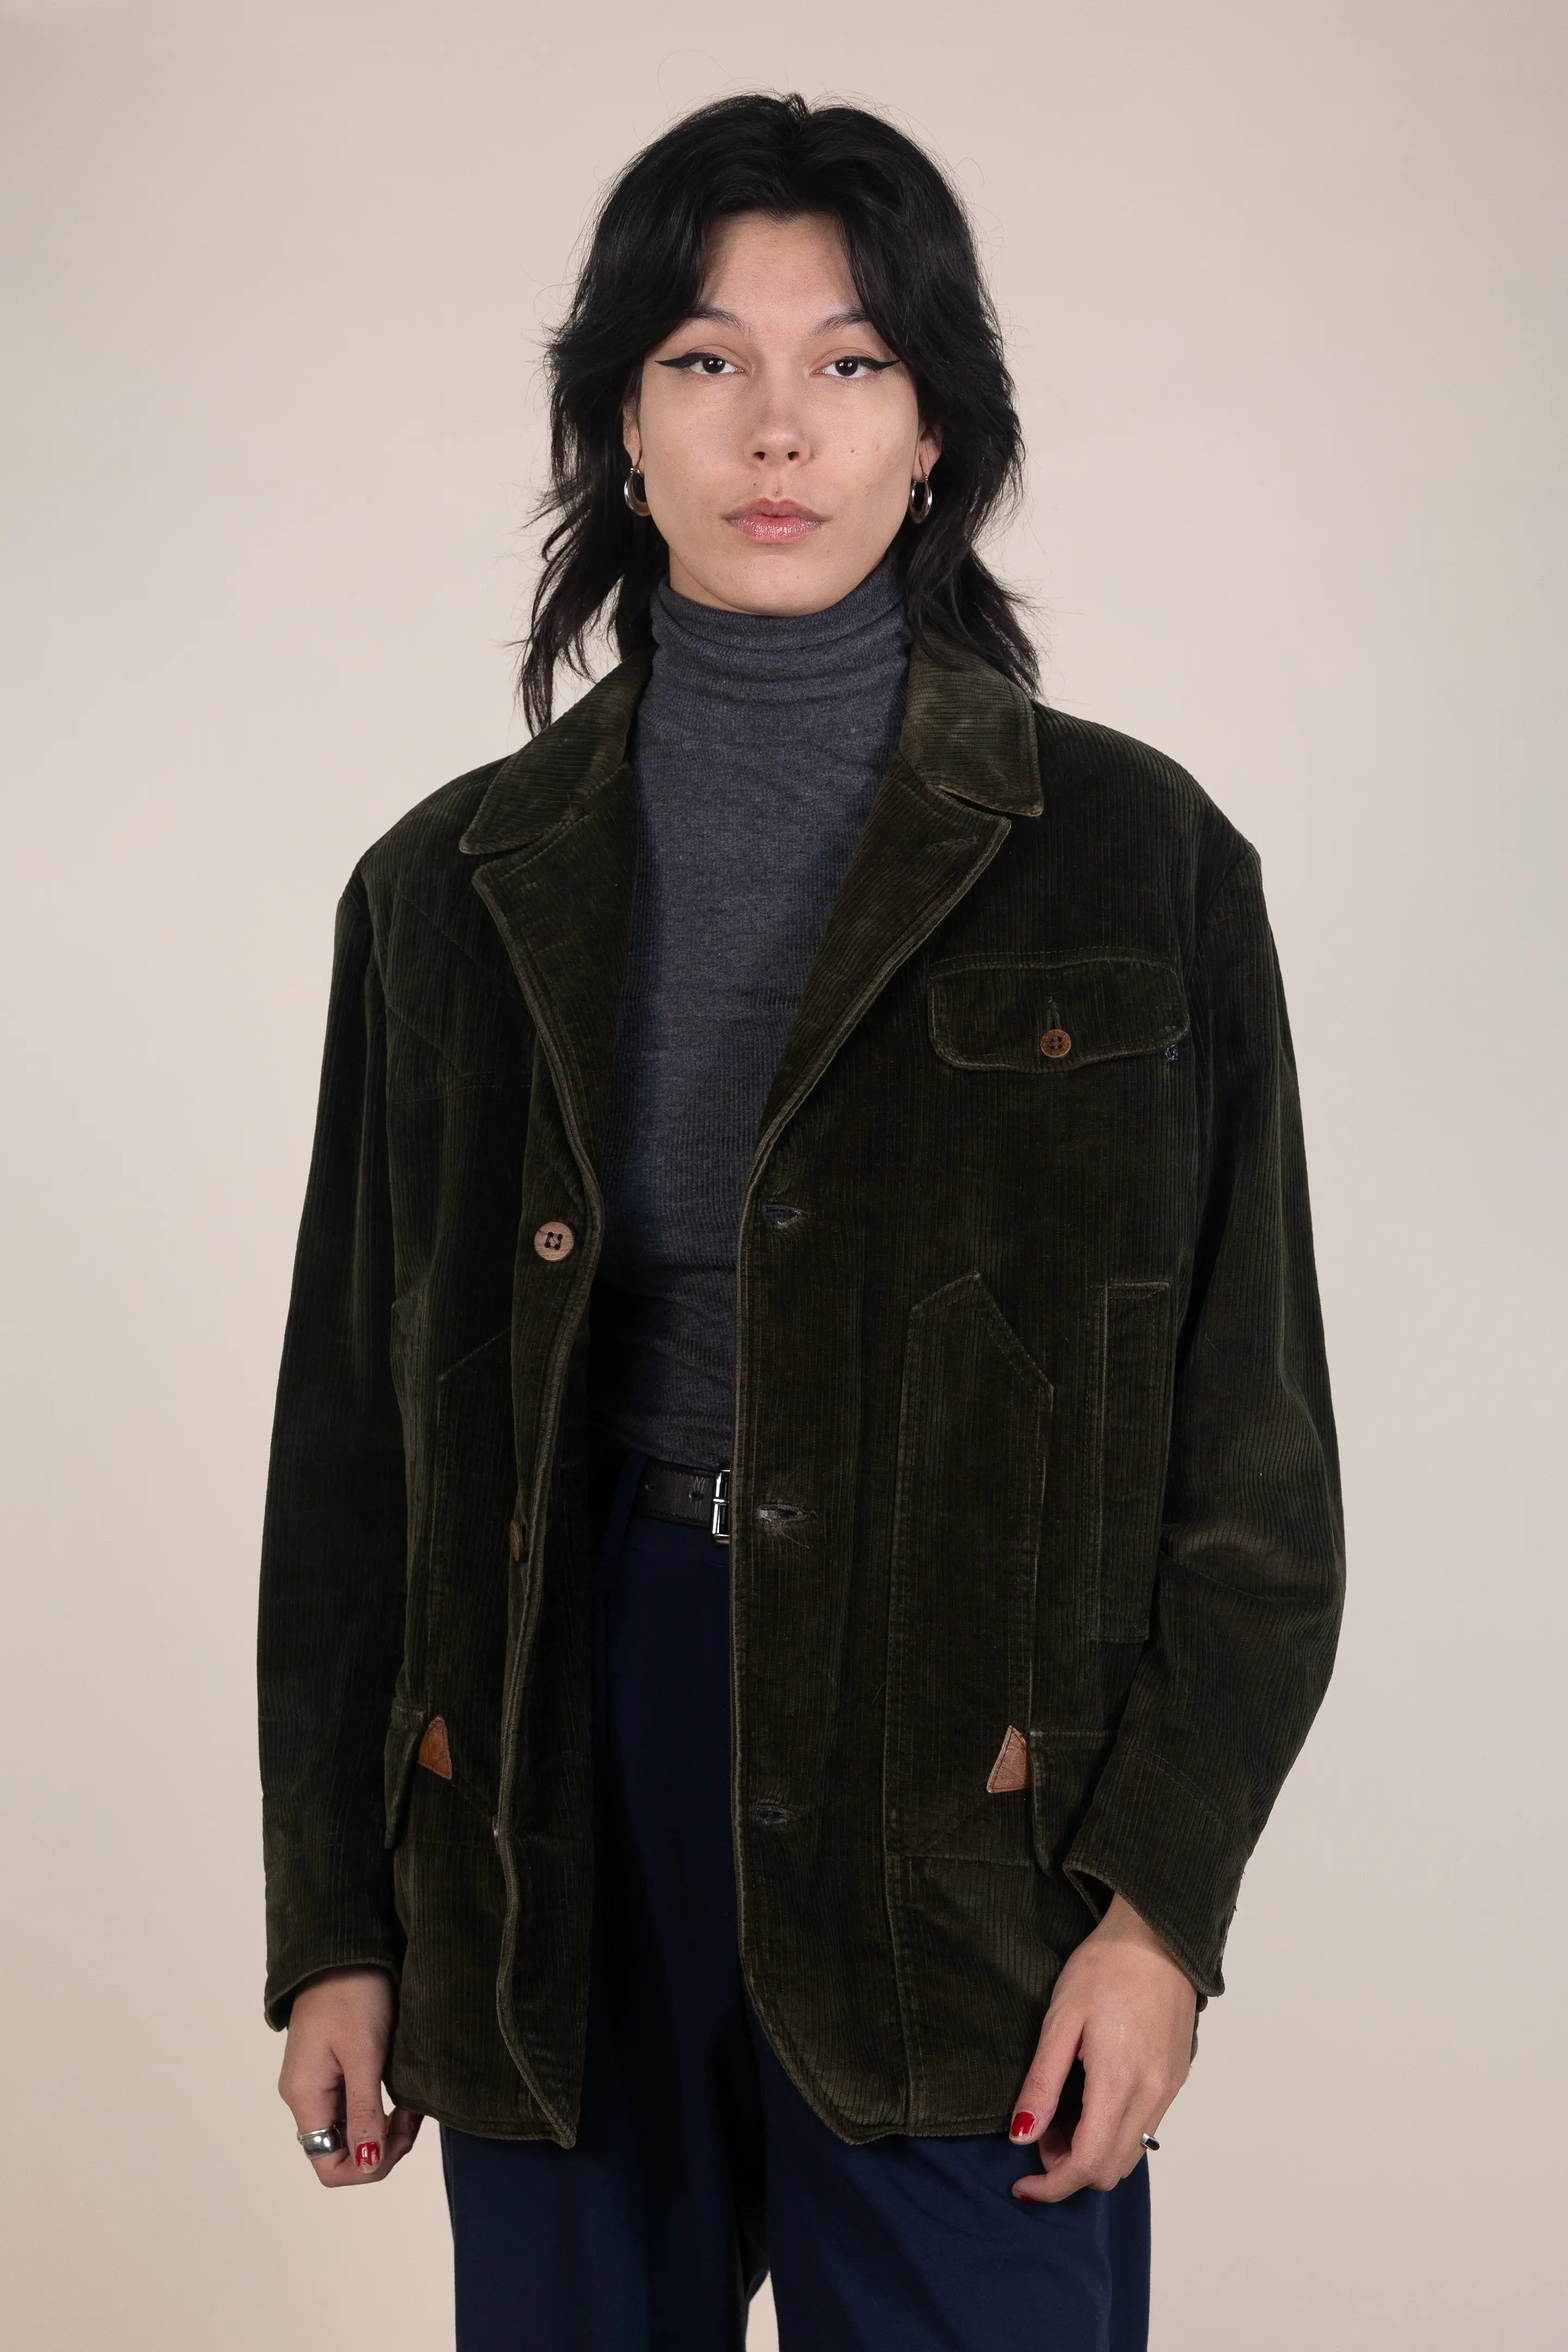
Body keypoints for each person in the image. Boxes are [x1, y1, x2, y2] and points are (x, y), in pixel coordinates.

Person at [259, 91, 1343, 2351]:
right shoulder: (443, 890)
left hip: (968, 1810)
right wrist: (338, 1921)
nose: (778, 428)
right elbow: (352, 1455)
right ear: (618, 425)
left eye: (850, 362)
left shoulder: (1134, 861)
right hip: (556, 1785)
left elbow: (1255, 1474)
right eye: (704, 360)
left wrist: (1158, 1909)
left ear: (934, 430)